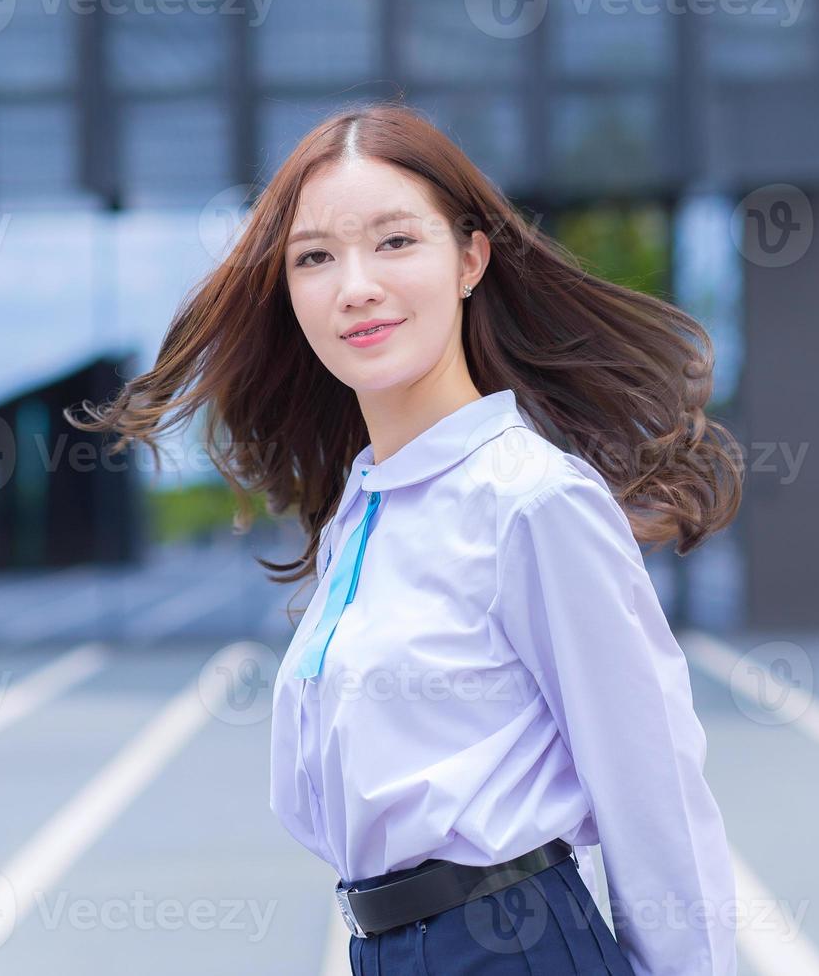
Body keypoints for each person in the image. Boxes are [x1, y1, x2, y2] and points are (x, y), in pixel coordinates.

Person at [65, 103, 743, 974]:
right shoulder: (362, 511)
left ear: (469, 259)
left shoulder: (530, 501)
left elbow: (655, 789)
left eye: (394, 242)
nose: (355, 286)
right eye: (315, 257)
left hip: (509, 943)